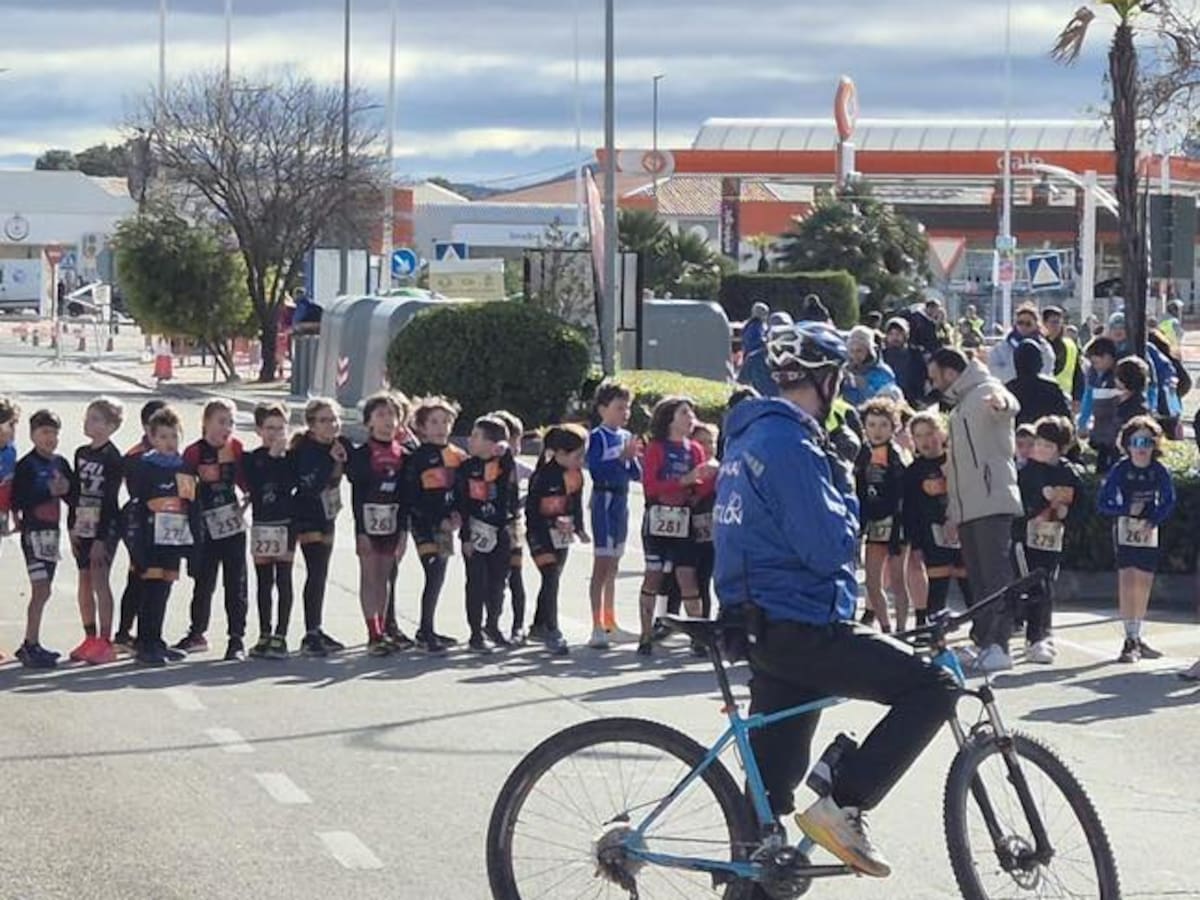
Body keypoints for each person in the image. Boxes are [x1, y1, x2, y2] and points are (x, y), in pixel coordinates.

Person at [714, 320, 959, 878]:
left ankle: (753, 875)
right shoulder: (792, 444)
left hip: (762, 623)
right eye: (840, 380)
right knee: (935, 686)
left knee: (767, 827)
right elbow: (828, 547)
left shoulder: (749, 433)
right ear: (826, 379)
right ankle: (842, 803)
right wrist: (845, 485)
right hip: (802, 620)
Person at [927, 347, 1021, 673]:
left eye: (935, 375)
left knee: (994, 575)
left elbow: (1007, 404)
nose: (933, 383)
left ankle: (1000, 644)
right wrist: (954, 510)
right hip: (969, 505)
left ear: (951, 372)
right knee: (978, 578)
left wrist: (1002, 405)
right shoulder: (959, 408)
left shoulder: (985, 390)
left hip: (992, 499)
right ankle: (985, 641)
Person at [637, 397, 716, 657]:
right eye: (684, 412)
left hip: (685, 520)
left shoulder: (694, 449)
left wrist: (710, 475)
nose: (690, 416)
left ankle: (697, 637)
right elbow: (650, 487)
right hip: (658, 518)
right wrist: (683, 480)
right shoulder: (657, 448)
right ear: (670, 418)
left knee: (687, 577)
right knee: (654, 574)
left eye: (692, 412)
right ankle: (646, 634)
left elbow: (701, 486)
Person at [123, 407, 200, 667]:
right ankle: (145, 642)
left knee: (164, 589)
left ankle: (156, 640)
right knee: (150, 590)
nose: (169, 443)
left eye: (174, 437)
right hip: (150, 538)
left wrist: (193, 546)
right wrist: (137, 546)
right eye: (164, 437)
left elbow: (191, 505)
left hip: (174, 539)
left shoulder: (185, 468)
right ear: (153, 439)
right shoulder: (145, 467)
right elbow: (136, 506)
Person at [1097, 416, 1176, 663]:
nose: (1141, 448)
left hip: (1147, 532)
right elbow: (1104, 501)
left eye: (1147, 442)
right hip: (1124, 530)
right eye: (1136, 442)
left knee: (1143, 581)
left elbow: (1168, 500)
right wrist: (1125, 510)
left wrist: (1152, 520)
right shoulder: (1121, 469)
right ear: (1127, 444)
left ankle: (1137, 634)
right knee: (1127, 580)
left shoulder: (1158, 470)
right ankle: (1129, 638)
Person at [176, 399, 250, 661]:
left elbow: (246, 481)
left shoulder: (236, 448)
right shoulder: (194, 452)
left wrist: (246, 500)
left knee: (236, 582)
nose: (226, 428)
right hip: (204, 527)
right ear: (206, 422)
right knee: (204, 582)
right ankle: (197, 632)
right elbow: (184, 492)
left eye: (230, 422)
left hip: (232, 526)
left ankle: (236, 639)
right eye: (221, 421)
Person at [1012, 416, 1082, 665]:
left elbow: (1078, 503)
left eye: (1048, 446)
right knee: (1032, 584)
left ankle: (1043, 632)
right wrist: (1039, 506)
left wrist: (1065, 513)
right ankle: (1033, 635)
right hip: (1025, 537)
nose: (1040, 449)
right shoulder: (1026, 471)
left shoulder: (1068, 472)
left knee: (1047, 583)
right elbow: (1019, 503)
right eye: (1038, 443)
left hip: (1053, 537)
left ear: (1060, 449)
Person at [347, 391, 410, 657]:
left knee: (385, 578)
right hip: (368, 524)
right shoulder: (362, 454)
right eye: (381, 415)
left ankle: (383, 630)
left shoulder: (404, 455)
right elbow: (357, 496)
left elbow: (406, 496)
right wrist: (360, 532)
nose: (387, 420)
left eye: (392, 415)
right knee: (369, 576)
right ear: (369, 422)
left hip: (393, 525)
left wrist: (404, 531)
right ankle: (372, 632)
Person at [403, 397, 466, 654]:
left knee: (439, 575)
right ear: (422, 426)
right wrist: (434, 517)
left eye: (445, 421)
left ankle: (427, 628)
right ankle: (425, 631)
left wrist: (457, 514)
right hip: (424, 523)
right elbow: (412, 495)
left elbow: (462, 490)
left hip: (447, 525)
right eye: (434, 422)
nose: (440, 427)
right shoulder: (417, 457)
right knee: (433, 572)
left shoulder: (457, 456)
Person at [12, 410, 73, 668]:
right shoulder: (27, 465)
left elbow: (73, 495)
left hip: (52, 533)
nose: (51, 438)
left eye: (54, 433)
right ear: (33, 435)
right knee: (40, 589)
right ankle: (30, 643)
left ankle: (32, 642)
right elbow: (19, 500)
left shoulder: (60, 463)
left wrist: (67, 490)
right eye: (45, 432)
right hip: (33, 534)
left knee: (45, 588)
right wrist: (46, 490)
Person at [66, 397, 126, 666]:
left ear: (111, 426)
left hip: (105, 525)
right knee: (84, 579)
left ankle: (105, 640)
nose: (88, 423)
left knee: (100, 579)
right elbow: (76, 493)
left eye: (95, 419)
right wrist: (72, 525)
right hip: (83, 523)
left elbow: (111, 500)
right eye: (87, 417)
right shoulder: (81, 453)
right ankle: (89, 636)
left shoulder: (113, 458)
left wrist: (102, 538)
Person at [290, 398, 351, 656]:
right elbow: (309, 485)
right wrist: (331, 460)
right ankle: (310, 633)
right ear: (312, 425)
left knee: (322, 573)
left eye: (334, 419)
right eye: (324, 420)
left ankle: (317, 627)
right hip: (307, 515)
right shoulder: (307, 449)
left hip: (329, 516)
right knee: (315, 572)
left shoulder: (341, 444)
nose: (331, 425)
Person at [586, 380, 642, 649]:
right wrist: (620, 458)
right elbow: (596, 469)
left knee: (614, 565)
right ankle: (597, 625)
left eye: (627, 408)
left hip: (622, 500)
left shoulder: (625, 436)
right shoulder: (598, 436)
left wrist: (630, 458)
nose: (625, 413)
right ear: (602, 409)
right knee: (602, 562)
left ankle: (611, 622)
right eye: (619, 407)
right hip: (604, 500)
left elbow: (636, 473)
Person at [902, 411, 971, 626]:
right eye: (919, 436)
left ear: (941, 434)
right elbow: (910, 510)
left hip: (962, 529)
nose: (926, 441)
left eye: (930, 433)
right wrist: (915, 545)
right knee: (938, 584)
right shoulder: (913, 472)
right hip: (932, 535)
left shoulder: (958, 461)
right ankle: (932, 632)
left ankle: (985, 632)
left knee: (968, 584)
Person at [525, 425, 589, 656]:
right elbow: (531, 512)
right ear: (559, 453)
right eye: (577, 455)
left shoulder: (576, 475)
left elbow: (576, 504)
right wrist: (551, 523)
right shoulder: (542, 476)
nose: (581, 460)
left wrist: (579, 528)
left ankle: (539, 625)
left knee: (552, 580)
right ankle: (552, 629)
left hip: (562, 536)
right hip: (540, 534)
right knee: (550, 574)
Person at [458, 415, 519, 653]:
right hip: (475, 530)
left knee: (497, 582)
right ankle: (475, 633)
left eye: (476, 436)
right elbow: (463, 504)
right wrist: (465, 537)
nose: (470, 440)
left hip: (500, 529)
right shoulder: (466, 467)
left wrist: (504, 449)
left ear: (491, 443)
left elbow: (508, 461)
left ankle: (492, 623)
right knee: (476, 582)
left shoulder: (503, 464)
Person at [113, 398, 168, 652]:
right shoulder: (136, 456)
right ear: (147, 427)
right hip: (139, 524)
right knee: (138, 575)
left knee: (158, 581)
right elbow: (138, 493)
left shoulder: (171, 454)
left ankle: (151, 634)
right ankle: (124, 632)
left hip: (166, 527)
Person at [245, 401, 298, 660]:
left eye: (280, 428)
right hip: (262, 524)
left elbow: (291, 483)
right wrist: (271, 456)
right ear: (259, 430)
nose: (275, 433)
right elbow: (254, 485)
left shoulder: (292, 458)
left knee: (284, 578)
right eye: (269, 428)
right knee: (264, 581)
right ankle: (264, 632)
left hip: (286, 523)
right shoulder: (253, 458)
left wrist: (280, 456)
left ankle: (281, 634)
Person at [854, 398, 907, 633]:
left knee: (898, 580)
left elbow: (903, 494)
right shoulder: (862, 455)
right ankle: (885, 627)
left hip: (897, 523)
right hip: (874, 524)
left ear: (893, 427)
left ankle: (903, 629)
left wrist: (900, 528)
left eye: (883, 425)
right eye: (872, 424)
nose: (877, 431)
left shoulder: (897, 456)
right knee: (872, 582)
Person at [493, 410, 531, 645]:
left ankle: (519, 625)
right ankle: (492, 623)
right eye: (512, 441)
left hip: (513, 525)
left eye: (517, 442)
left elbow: (537, 482)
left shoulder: (518, 467)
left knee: (516, 575)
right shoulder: (487, 464)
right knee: (493, 579)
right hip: (490, 526)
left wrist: (523, 501)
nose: (515, 448)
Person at [689, 422, 719, 621]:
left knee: (703, 580)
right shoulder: (686, 469)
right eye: (701, 442)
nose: (707, 447)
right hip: (685, 531)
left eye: (711, 442)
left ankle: (704, 623)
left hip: (709, 534)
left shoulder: (721, 470)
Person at [1077, 337, 1121, 473]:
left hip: (1115, 424)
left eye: (1096, 362)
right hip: (1100, 424)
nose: (1094, 366)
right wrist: (1083, 421)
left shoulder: (1119, 373)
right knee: (1102, 458)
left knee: (1114, 456)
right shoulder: (1093, 373)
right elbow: (1088, 397)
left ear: (1108, 357)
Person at [1006, 339, 1071, 427]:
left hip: (1018, 438)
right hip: (1046, 438)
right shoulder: (1052, 388)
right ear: (1039, 362)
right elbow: (1065, 421)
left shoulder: (1008, 390)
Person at [987, 303, 1055, 385]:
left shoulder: (1044, 347)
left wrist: (1024, 377)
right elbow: (992, 369)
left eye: (1028, 324)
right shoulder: (1003, 345)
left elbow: (1045, 370)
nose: (1023, 326)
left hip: (1034, 391)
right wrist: (1015, 375)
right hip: (1007, 390)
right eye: (1020, 322)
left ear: (1036, 325)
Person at [842, 326, 901, 407]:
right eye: (852, 351)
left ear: (870, 351)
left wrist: (865, 387)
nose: (855, 355)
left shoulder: (883, 372)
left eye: (859, 351)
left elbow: (888, 403)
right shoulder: (844, 370)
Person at [1042, 307, 1084, 408]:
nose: (1057, 326)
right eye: (1053, 322)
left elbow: (1078, 374)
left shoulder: (1070, 345)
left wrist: (1077, 398)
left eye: (1059, 322)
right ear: (1044, 323)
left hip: (1065, 400)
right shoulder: (1037, 345)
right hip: (1041, 398)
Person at [881, 318, 927, 407]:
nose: (895, 337)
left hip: (911, 402)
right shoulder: (881, 356)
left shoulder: (916, 355)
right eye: (891, 334)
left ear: (905, 335)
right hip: (887, 401)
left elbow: (923, 378)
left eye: (898, 334)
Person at [739, 302, 774, 397]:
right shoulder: (757, 327)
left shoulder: (748, 326)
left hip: (749, 361)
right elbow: (758, 342)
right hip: (758, 362)